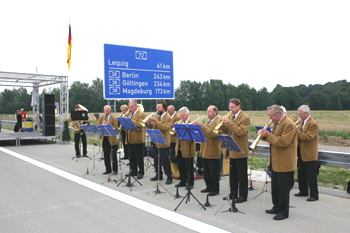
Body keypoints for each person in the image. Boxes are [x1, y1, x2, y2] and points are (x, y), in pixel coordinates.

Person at [258, 105, 297, 220]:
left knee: (283, 189)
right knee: (275, 187)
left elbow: (284, 142)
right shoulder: (277, 123)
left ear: (279, 114)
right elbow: (274, 138)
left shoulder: (288, 124)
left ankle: (284, 212)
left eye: (271, 116)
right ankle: (276, 206)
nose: (270, 118)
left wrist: (268, 135)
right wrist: (264, 136)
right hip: (276, 161)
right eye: (269, 116)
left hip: (285, 162)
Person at [221, 98, 251, 203]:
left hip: (240, 150)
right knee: (233, 174)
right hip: (232, 148)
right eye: (229, 107)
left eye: (232, 107)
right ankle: (233, 193)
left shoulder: (245, 118)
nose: (230, 109)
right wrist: (222, 124)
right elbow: (226, 130)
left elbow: (240, 132)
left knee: (242, 175)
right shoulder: (230, 116)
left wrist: (229, 123)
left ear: (238, 106)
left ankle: (243, 195)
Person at [295, 105, 319, 201]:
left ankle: (314, 194)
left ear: (306, 113)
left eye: (300, 114)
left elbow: (308, 137)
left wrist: (295, 131)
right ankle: (303, 191)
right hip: (301, 152)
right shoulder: (302, 122)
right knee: (301, 173)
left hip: (309, 153)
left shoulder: (313, 123)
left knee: (311, 175)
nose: (299, 116)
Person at [196, 105, 221, 196]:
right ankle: (208, 186)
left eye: (209, 111)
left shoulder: (218, 122)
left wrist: (202, 126)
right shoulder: (207, 122)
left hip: (212, 150)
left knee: (213, 171)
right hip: (204, 149)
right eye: (207, 111)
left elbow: (213, 134)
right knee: (206, 171)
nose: (207, 113)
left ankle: (215, 189)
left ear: (215, 112)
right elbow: (203, 132)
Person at [148, 101, 173, 185]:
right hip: (156, 140)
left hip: (164, 142)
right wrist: (148, 123)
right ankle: (158, 174)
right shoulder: (157, 116)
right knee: (156, 160)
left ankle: (169, 177)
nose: (157, 109)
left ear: (164, 108)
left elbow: (165, 128)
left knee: (165, 161)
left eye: (159, 107)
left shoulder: (168, 117)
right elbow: (153, 126)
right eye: (157, 107)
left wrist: (156, 121)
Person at [174, 106, 196, 189]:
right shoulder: (179, 123)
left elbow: (193, 136)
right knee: (181, 165)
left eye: (183, 115)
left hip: (188, 148)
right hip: (179, 147)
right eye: (180, 115)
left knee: (189, 167)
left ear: (188, 115)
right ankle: (182, 181)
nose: (181, 117)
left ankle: (190, 183)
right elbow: (173, 134)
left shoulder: (192, 123)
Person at [126, 101, 147, 179]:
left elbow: (140, 124)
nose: (130, 108)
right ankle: (133, 171)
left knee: (139, 156)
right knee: (132, 156)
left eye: (131, 107)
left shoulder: (141, 114)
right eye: (129, 107)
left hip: (138, 138)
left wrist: (131, 121)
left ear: (135, 106)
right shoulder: (131, 114)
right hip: (131, 138)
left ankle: (141, 172)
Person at [97, 105, 119, 175]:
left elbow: (116, 128)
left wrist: (109, 125)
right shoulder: (101, 118)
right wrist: (102, 125)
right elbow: (98, 126)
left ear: (110, 110)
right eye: (105, 110)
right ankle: (108, 169)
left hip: (111, 138)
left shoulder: (114, 118)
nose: (106, 112)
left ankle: (115, 170)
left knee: (113, 155)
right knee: (106, 155)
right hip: (104, 138)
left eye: (107, 111)